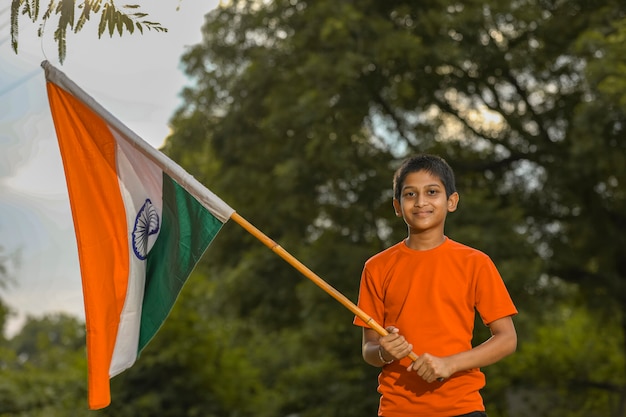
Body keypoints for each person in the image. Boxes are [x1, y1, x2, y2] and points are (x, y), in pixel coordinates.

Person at [354, 154, 518, 417]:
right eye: (410, 194)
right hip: (398, 410)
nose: (421, 202)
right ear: (397, 206)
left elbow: (507, 339)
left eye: (432, 192)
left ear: (451, 201)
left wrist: (450, 364)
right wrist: (384, 352)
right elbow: (368, 349)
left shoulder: (475, 262)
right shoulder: (376, 267)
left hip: (462, 407)